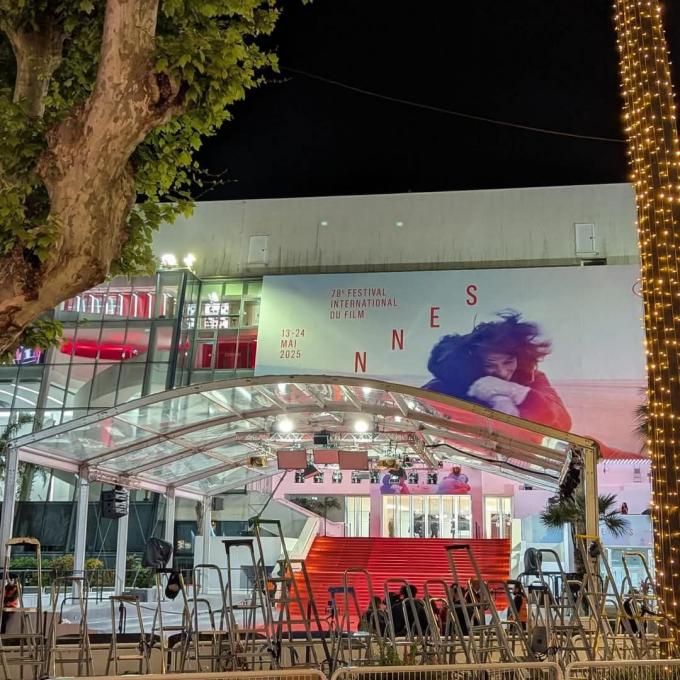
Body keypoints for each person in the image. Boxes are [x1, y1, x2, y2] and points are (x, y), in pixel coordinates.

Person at [423, 311, 571, 431]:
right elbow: (421, 410)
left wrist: (517, 392)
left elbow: (562, 423)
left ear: (520, 358)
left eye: (508, 362)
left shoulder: (533, 378)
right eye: (490, 365)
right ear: (476, 363)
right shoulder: (453, 382)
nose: (501, 372)